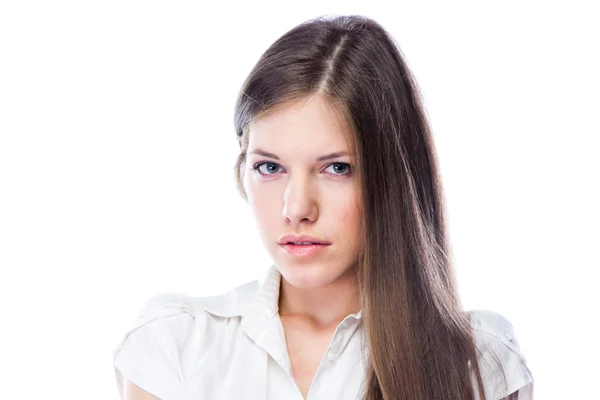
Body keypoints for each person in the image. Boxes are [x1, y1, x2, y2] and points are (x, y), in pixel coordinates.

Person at [113, 14, 534, 400]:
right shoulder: (175, 346)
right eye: (269, 166)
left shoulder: (479, 365)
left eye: (336, 168)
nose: (296, 208)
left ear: (392, 178)